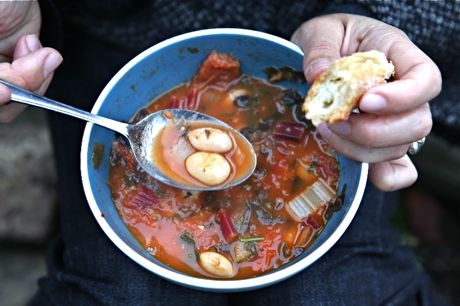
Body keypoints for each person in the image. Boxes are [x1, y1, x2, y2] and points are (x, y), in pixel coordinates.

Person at [0, 1, 456, 305]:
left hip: (317, 55)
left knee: (343, 293)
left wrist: (368, 26)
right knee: (115, 293)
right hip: (103, 42)